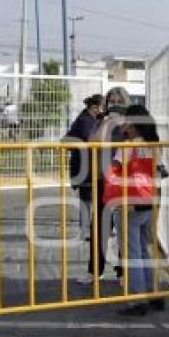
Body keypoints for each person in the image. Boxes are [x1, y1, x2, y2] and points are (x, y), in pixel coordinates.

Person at [105, 104, 165, 316]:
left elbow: (113, 172)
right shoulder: (153, 145)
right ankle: (153, 292)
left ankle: (137, 299)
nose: (122, 124)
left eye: (125, 120)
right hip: (149, 201)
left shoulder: (126, 147)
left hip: (127, 204)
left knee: (131, 253)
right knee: (145, 249)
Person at [87, 87, 129, 284]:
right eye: (112, 100)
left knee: (124, 227)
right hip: (103, 181)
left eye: (119, 101)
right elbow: (92, 141)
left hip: (124, 182)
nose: (115, 104)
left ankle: (123, 272)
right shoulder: (101, 122)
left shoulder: (131, 122)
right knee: (99, 226)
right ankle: (95, 271)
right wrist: (107, 121)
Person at [63, 94, 103, 253]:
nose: (103, 110)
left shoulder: (88, 118)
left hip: (86, 166)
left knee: (89, 199)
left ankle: (87, 230)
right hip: (84, 167)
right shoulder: (86, 121)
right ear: (95, 107)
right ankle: (84, 231)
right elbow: (90, 140)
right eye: (102, 107)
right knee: (87, 200)